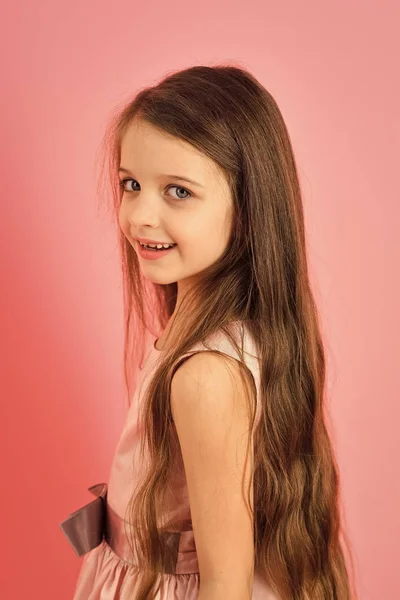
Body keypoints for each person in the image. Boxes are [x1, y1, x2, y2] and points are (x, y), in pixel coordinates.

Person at [60, 64, 355, 600]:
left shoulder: (205, 376)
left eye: (177, 191)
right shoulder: (227, 337)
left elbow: (224, 583)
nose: (140, 215)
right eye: (131, 184)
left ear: (245, 211)